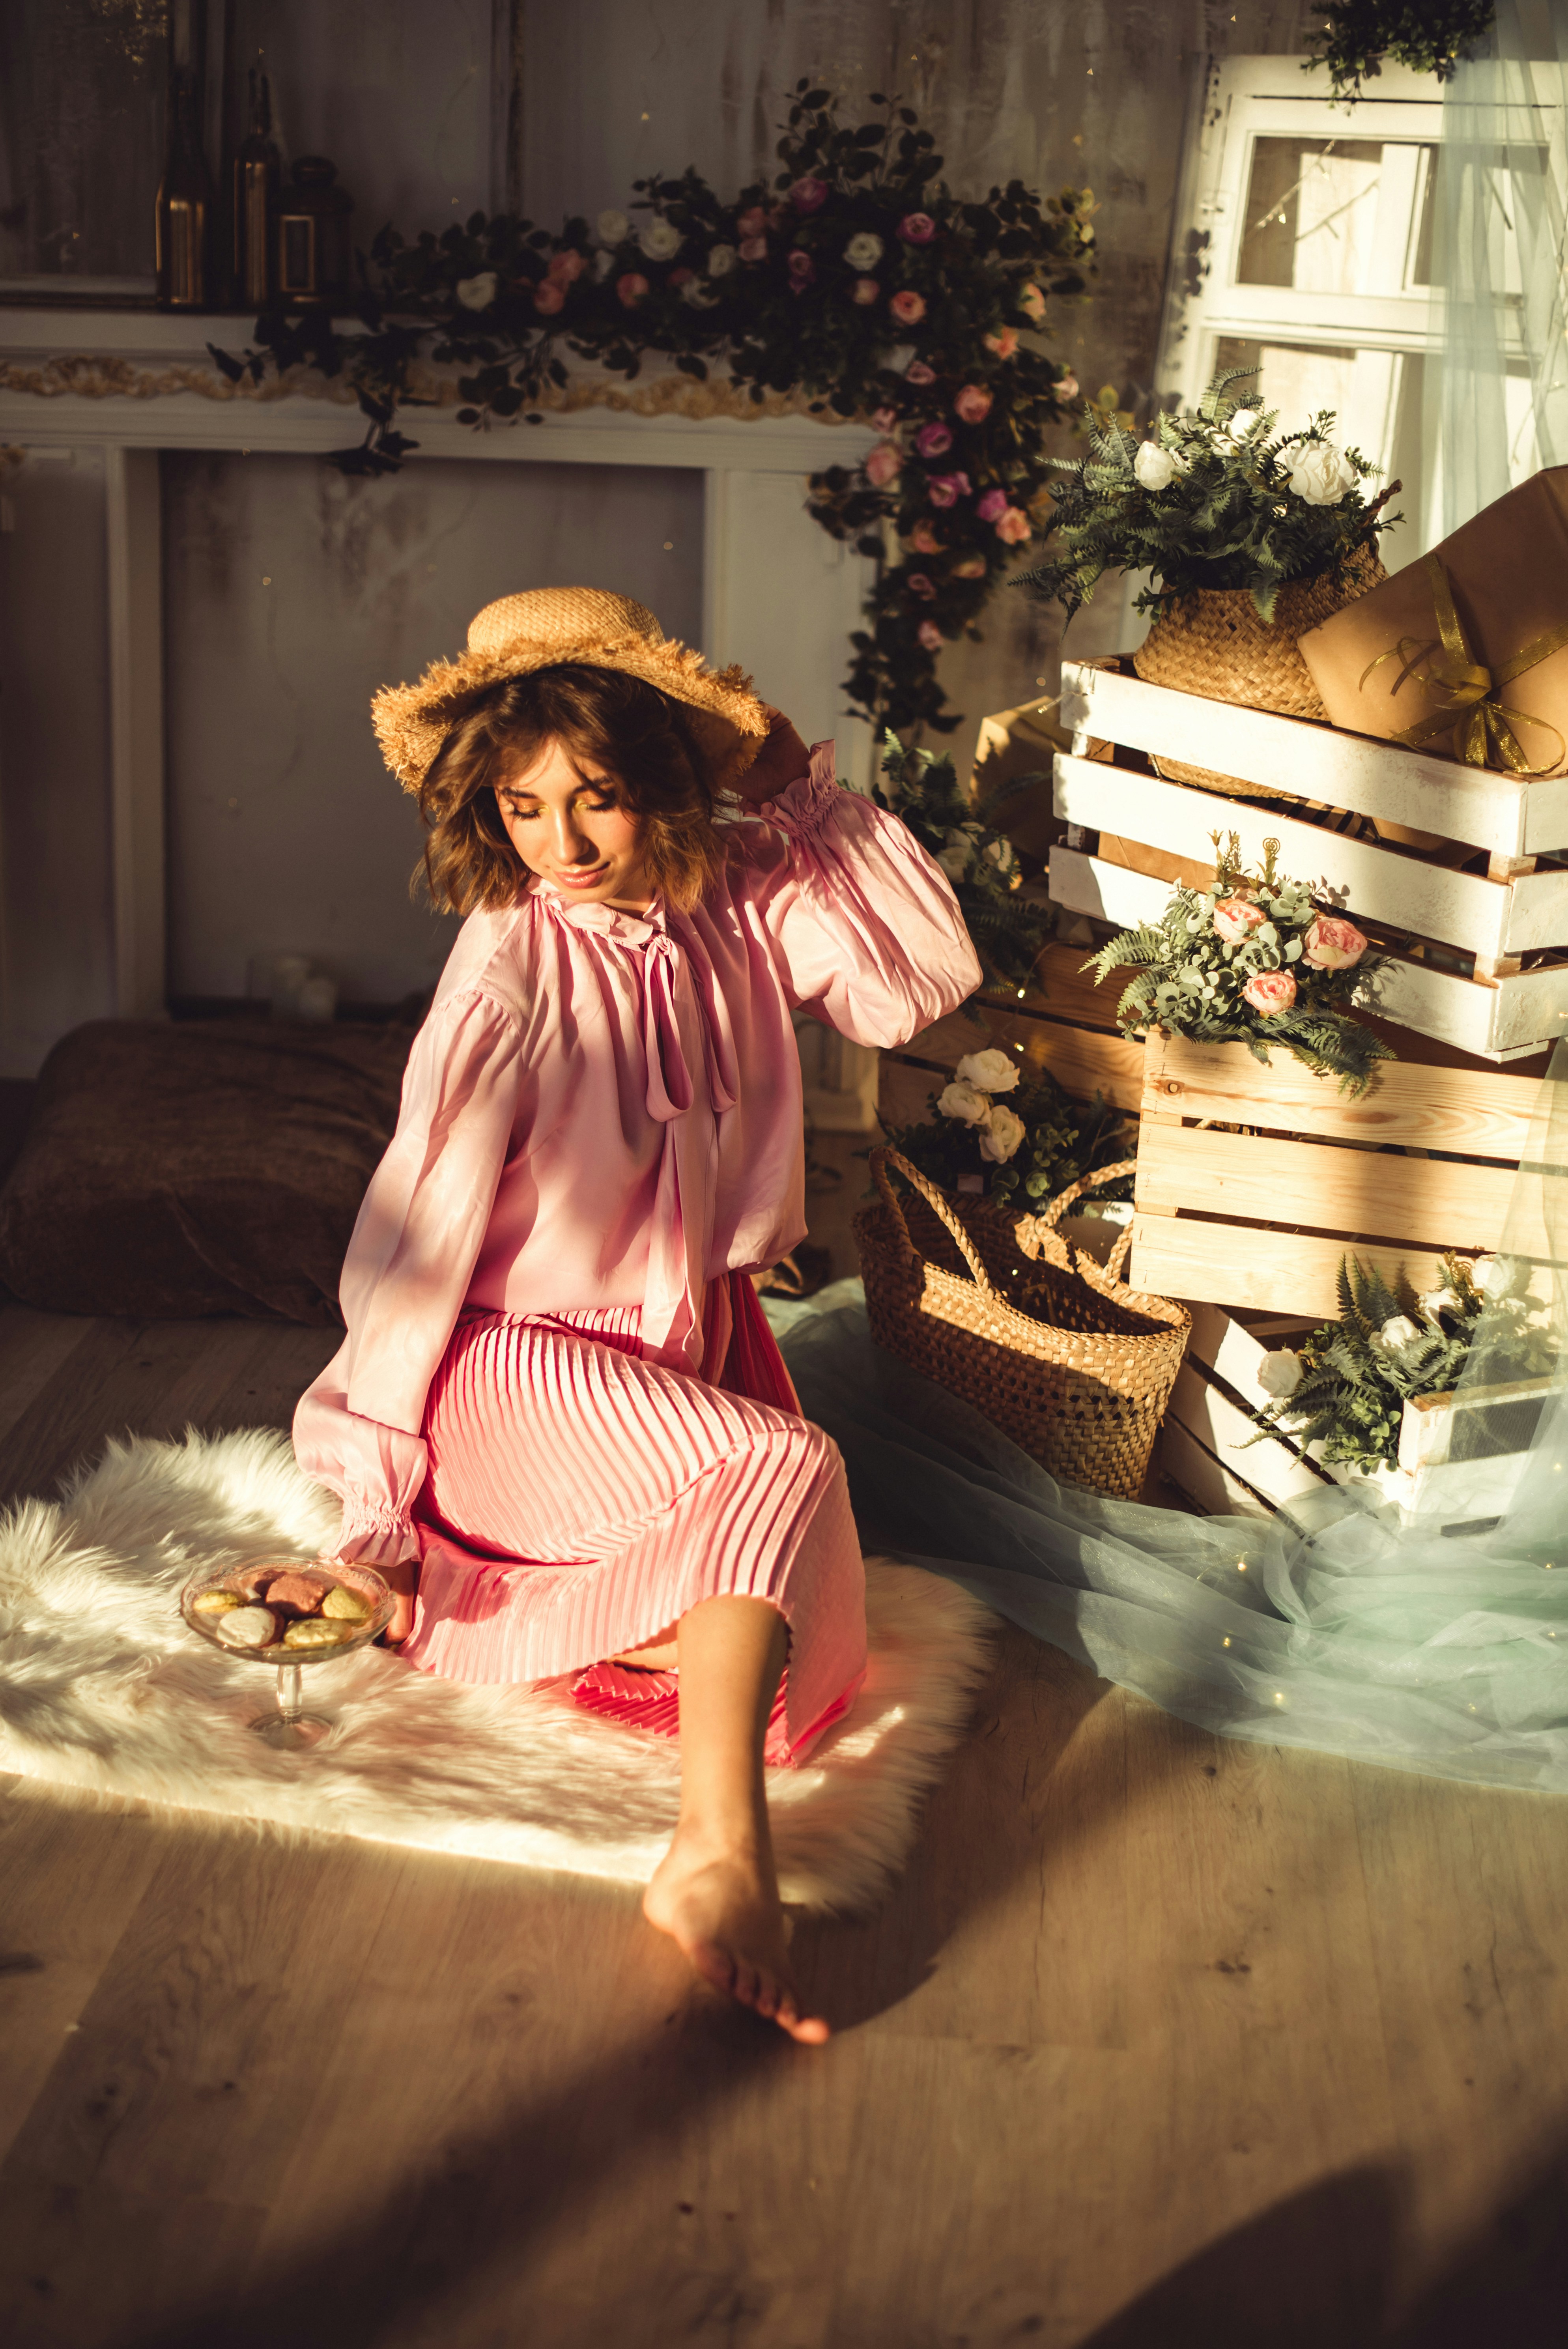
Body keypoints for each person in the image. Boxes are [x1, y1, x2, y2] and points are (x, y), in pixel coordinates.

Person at [294, 586, 981, 2041]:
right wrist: (373, 1504)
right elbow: (415, 1242)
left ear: (659, 777)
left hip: (683, 1362)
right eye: (523, 806)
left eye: (594, 797)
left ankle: (549, 1615)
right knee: (788, 1469)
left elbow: (920, 983)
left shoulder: (736, 891)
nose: (561, 843)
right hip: (511, 1376)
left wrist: (802, 797)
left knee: (808, 1619)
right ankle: (721, 1854)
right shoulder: (506, 963)